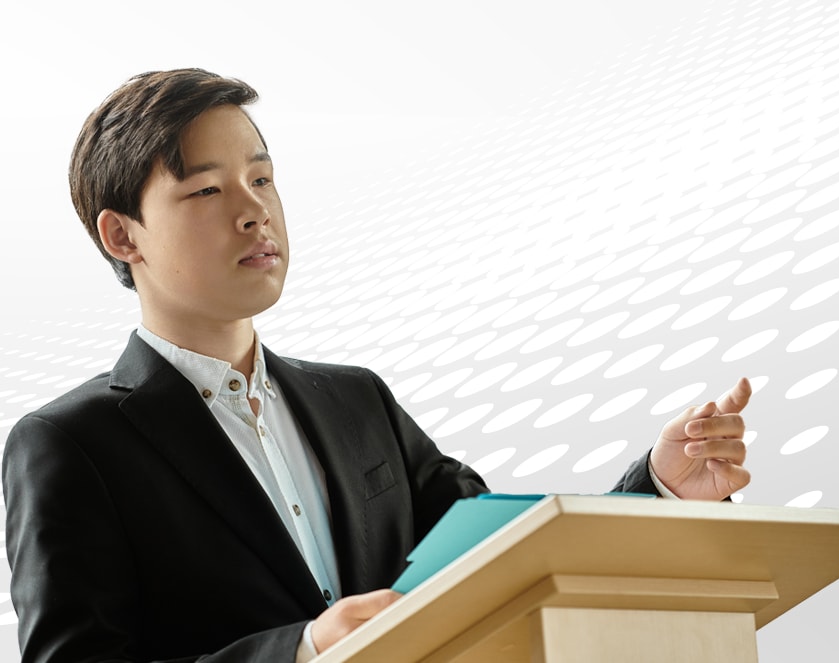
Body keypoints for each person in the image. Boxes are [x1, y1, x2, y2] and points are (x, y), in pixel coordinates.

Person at [1, 68, 751, 663]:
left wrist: (655, 488)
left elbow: (506, 555)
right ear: (121, 235)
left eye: (262, 178)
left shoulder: (356, 401)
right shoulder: (70, 444)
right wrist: (301, 650)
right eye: (206, 189)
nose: (253, 210)